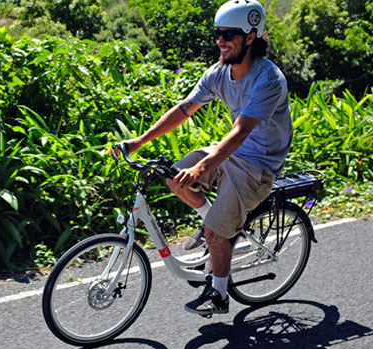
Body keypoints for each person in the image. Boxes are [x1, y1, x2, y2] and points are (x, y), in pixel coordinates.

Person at [119, 0, 293, 316]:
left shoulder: (268, 79)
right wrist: (139, 141)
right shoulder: (218, 73)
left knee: (215, 231)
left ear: (250, 38)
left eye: (228, 34)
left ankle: (219, 293)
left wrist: (203, 166)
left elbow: (240, 132)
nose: (220, 41)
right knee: (175, 176)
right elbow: (185, 109)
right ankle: (215, 225)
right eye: (217, 33)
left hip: (258, 164)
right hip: (229, 153)